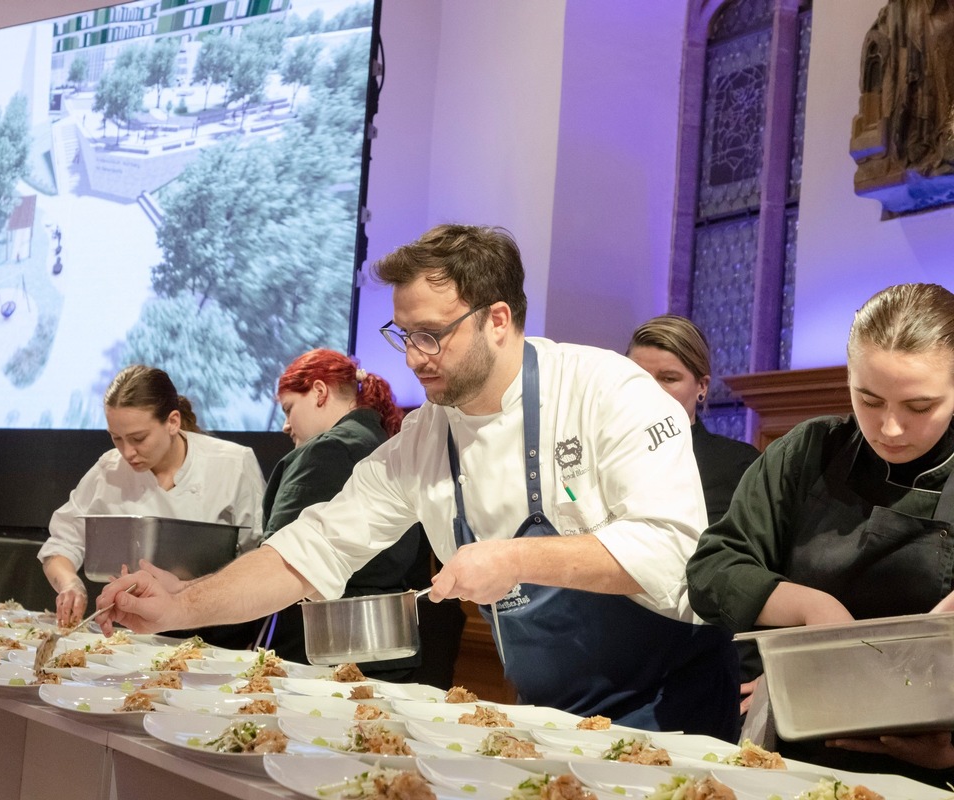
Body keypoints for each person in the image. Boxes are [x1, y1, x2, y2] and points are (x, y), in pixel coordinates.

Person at [97, 224, 739, 739]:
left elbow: (673, 551)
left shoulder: (608, 391)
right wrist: (181, 605)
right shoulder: (425, 437)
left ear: (496, 318)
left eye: (431, 335)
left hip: (668, 710)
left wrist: (516, 558)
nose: (411, 357)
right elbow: (311, 548)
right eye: (404, 334)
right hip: (548, 717)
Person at [687, 283, 954, 782]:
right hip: (793, 754)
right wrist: (811, 613)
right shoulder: (807, 453)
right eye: (869, 399)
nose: (890, 428)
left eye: (919, 407)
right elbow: (713, 569)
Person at [38, 365, 265, 628]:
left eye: (138, 438)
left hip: (215, 627)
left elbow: (258, 557)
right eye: (116, 439)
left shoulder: (233, 464)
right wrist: (70, 584)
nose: (127, 452)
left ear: (172, 422)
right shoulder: (109, 470)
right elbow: (61, 544)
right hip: (131, 630)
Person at [259, 348, 423, 680]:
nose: (286, 426)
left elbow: (281, 554)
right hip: (392, 649)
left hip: (327, 648)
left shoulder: (326, 449)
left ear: (319, 392)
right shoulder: (385, 444)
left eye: (289, 409)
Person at [627, 315, 761, 527]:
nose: (649, 389)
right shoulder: (600, 454)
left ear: (702, 386)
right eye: (637, 377)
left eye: (668, 378)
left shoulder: (740, 465)